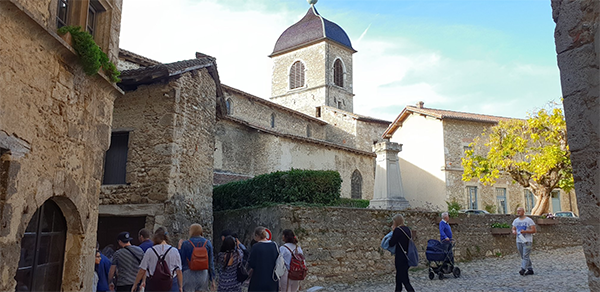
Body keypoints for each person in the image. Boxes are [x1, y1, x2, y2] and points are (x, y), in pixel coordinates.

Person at [132, 227, 183, 292]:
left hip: (153, 283)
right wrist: (180, 286)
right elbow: (179, 271)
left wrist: (135, 284)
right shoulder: (174, 251)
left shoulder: (150, 251)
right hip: (171, 283)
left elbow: (142, 270)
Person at [178, 224, 216, 292]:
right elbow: (211, 263)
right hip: (203, 274)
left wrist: (179, 248)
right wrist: (212, 279)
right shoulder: (207, 243)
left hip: (188, 274)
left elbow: (181, 261)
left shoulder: (186, 243)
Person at [388, 214, 415, 292]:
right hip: (407, 256)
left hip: (400, 257)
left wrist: (393, 231)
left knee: (405, 280)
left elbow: (391, 243)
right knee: (398, 279)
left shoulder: (398, 230)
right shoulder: (407, 229)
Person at [247, 226, 279, 292]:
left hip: (258, 278)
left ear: (257, 235)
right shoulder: (274, 245)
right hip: (272, 278)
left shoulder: (256, 247)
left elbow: (252, 263)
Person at [512, 207, 537, 276]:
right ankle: (530, 269)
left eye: (519, 211)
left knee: (525, 255)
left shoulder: (529, 220)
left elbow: (534, 230)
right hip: (519, 240)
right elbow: (513, 228)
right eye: (517, 211)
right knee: (523, 255)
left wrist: (525, 231)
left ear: (523, 211)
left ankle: (523, 269)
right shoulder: (516, 221)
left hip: (527, 241)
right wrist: (514, 231)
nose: (518, 212)